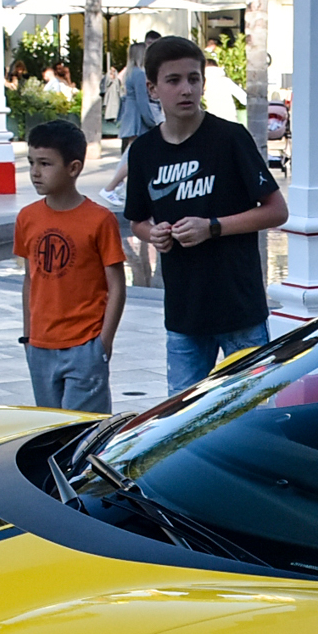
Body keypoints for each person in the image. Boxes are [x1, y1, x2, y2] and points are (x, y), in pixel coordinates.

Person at [124, 35, 288, 392]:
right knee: (180, 419)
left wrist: (213, 227)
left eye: (193, 79)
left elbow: (276, 211)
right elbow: (136, 219)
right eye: (174, 80)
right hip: (184, 311)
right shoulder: (144, 152)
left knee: (250, 411)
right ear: (152, 89)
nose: (186, 89)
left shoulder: (230, 138)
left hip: (238, 306)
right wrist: (152, 234)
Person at [16, 119, 125, 412]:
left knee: (82, 433)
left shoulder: (100, 220)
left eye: (45, 164)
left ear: (73, 168)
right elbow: (30, 279)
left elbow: (116, 285)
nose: (35, 172)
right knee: (49, 431)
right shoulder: (27, 217)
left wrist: (103, 343)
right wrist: (29, 336)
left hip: (84, 344)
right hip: (40, 345)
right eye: (31, 163)